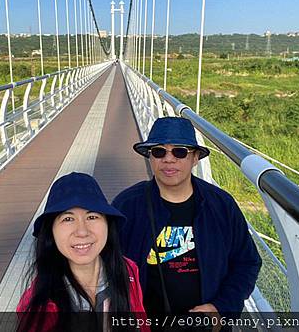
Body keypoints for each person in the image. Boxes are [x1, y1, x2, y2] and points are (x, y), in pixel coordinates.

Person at [112, 117, 261, 319]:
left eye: (180, 151)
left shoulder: (221, 205)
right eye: (159, 151)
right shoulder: (128, 206)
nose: (168, 159)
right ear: (150, 157)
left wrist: (221, 308)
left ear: (195, 157)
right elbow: (107, 263)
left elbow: (247, 262)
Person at [17, 172, 147, 332]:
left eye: (92, 217)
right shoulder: (39, 305)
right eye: (68, 219)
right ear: (51, 231)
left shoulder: (127, 270)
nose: (82, 231)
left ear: (107, 224)